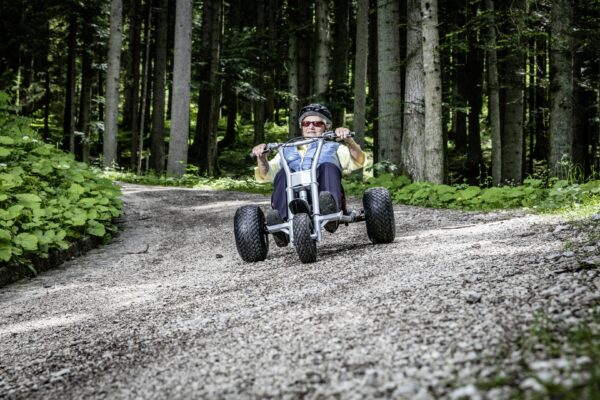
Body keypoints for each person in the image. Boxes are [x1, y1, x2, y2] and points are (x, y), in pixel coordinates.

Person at [252, 104, 366, 240]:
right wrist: (262, 157)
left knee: (327, 166)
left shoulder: (333, 147)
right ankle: (281, 224)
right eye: (306, 123)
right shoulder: (286, 150)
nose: (311, 127)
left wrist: (349, 140)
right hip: (293, 197)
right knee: (282, 173)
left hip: (324, 195)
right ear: (301, 126)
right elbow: (265, 174)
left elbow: (358, 160)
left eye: (317, 123)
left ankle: (330, 211)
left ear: (326, 126)